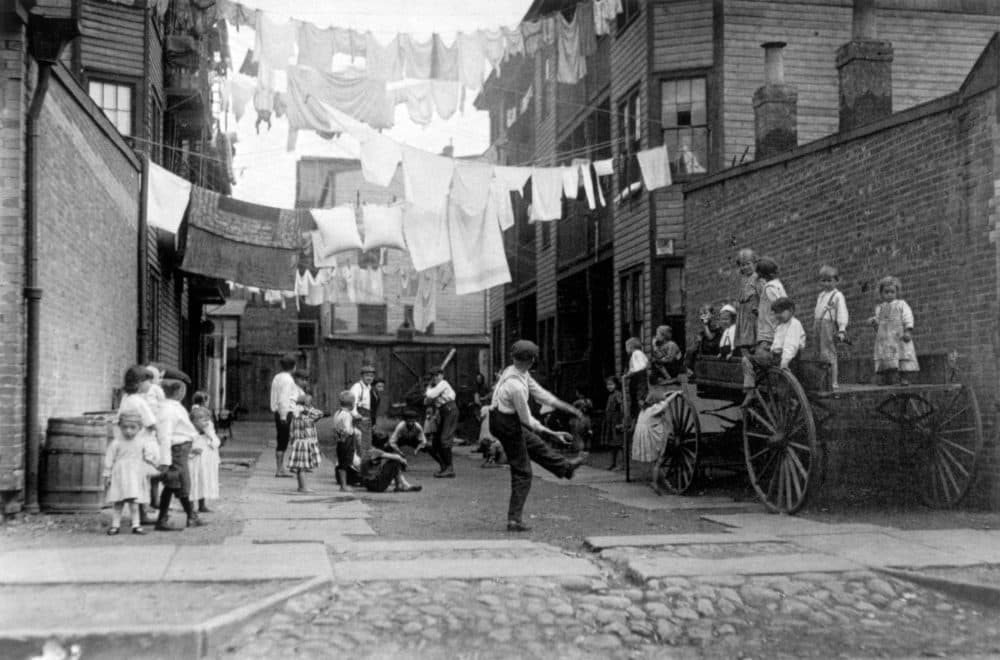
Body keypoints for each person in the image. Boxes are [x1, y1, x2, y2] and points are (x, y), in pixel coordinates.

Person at [489, 340, 585, 532]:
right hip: (505, 424)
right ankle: (514, 520)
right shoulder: (516, 386)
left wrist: (568, 408)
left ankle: (566, 468)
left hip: (503, 418)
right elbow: (527, 420)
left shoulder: (517, 371)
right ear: (532, 360)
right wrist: (553, 433)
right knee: (523, 471)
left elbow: (541, 394)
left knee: (534, 443)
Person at [155, 379, 205, 531]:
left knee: (175, 483)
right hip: (176, 449)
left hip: (182, 448)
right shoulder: (168, 410)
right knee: (179, 483)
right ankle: (189, 516)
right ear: (179, 393)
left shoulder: (174, 407)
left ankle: (185, 516)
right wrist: (165, 459)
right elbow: (165, 435)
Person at [102, 411, 160, 535]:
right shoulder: (116, 443)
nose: (128, 431)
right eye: (125, 427)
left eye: (132, 428)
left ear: (139, 428)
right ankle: (115, 525)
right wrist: (107, 475)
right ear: (120, 427)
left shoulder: (142, 442)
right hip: (120, 475)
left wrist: (157, 464)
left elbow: (148, 456)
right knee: (118, 502)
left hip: (134, 475)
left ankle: (136, 525)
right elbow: (109, 459)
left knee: (134, 502)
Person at [741, 297, 806, 405]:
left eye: (781, 312)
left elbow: (790, 345)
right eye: (776, 313)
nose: (778, 315)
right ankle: (750, 389)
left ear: (790, 310)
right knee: (747, 359)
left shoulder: (794, 324)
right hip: (776, 356)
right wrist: (770, 348)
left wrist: (785, 362)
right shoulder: (781, 325)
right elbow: (778, 343)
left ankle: (791, 403)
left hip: (787, 359)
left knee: (783, 390)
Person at [118, 365, 161, 525]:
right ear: (139, 382)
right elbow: (152, 423)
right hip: (142, 444)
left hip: (129, 444)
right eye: (147, 382)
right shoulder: (140, 402)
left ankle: (139, 514)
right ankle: (143, 514)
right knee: (143, 480)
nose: (149, 386)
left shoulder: (125, 399)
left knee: (136, 480)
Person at [869, 275, 919, 386]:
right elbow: (878, 325)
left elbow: (908, 317)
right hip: (885, 338)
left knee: (902, 355)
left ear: (896, 292)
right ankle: (886, 378)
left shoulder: (901, 305)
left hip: (898, 336)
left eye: (892, 292)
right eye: (886, 292)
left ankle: (904, 378)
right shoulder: (880, 308)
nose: (889, 294)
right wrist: (874, 323)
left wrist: (908, 330)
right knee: (885, 357)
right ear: (881, 293)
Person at [630, 393, 679, 495]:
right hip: (651, 438)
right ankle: (655, 482)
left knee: (655, 462)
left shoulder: (644, 410)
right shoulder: (653, 409)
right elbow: (665, 402)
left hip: (644, 438)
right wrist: (676, 393)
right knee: (658, 461)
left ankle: (662, 482)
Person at [814, 265, 850, 389]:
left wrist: (842, 328)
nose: (826, 283)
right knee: (820, 353)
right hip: (818, 324)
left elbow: (842, 312)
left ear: (836, 281)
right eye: (823, 280)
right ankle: (824, 381)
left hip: (828, 325)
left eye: (829, 280)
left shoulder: (837, 295)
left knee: (829, 352)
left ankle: (833, 381)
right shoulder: (821, 296)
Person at [286, 388, 325, 494]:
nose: (311, 405)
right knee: (303, 467)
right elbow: (320, 414)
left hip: (298, 442)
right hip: (305, 443)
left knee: (300, 467)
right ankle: (304, 487)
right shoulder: (306, 415)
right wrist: (308, 409)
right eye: (309, 403)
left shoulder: (295, 415)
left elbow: (291, 431)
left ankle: (300, 486)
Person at [424, 366, 459, 478]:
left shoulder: (443, 383)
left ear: (442, 375)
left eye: (437, 375)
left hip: (450, 410)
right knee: (436, 442)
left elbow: (430, 396)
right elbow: (426, 401)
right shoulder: (436, 386)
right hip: (443, 412)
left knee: (445, 439)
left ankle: (449, 468)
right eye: (433, 376)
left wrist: (429, 387)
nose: (435, 378)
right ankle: (444, 466)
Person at [269, 353, 298, 478]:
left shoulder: (277, 377)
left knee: (281, 439)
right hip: (285, 412)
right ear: (294, 366)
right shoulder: (288, 380)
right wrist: (283, 416)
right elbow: (283, 399)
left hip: (278, 411)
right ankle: (280, 469)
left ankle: (280, 468)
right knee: (283, 440)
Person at [188, 407, 221, 513]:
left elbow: (216, 443)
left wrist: (210, 435)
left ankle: (202, 504)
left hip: (206, 464)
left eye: (208, 420)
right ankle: (190, 506)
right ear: (193, 421)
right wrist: (192, 451)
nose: (206, 422)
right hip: (194, 463)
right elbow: (186, 447)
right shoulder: (190, 433)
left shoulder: (209, 433)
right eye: (203, 420)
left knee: (204, 482)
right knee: (194, 483)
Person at [755, 257, 787, 358]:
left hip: (768, 334)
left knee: (756, 361)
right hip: (776, 332)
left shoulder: (769, 287)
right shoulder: (778, 285)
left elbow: (779, 305)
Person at [734, 248, 761, 356]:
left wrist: (758, 307)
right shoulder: (743, 280)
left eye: (748, 264)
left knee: (753, 343)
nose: (745, 267)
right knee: (743, 345)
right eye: (742, 265)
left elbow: (762, 296)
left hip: (753, 315)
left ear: (754, 263)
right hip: (743, 315)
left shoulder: (758, 279)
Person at [332, 391, 361, 492]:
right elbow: (348, 430)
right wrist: (355, 424)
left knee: (341, 463)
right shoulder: (347, 415)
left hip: (339, 441)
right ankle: (343, 485)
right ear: (352, 404)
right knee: (345, 464)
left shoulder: (337, 413)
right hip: (347, 441)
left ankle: (343, 484)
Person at [684, 305, 721, 375]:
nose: (703, 316)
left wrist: (705, 325)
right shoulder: (703, 327)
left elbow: (710, 337)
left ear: (712, 314)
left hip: (714, 346)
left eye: (705, 313)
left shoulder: (715, 325)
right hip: (705, 346)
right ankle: (689, 368)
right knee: (690, 351)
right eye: (701, 314)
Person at [350, 364, 376, 453]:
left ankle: (365, 461)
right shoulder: (357, 387)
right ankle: (359, 461)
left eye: (371, 376)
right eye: (367, 376)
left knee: (367, 442)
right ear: (362, 376)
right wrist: (356, 415)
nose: (369, 378)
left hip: (367, 417)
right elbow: (351, 403)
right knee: (359, 442)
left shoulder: (369, 387)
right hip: (359, 417)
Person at [623, 337, 649, 428]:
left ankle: (642, 420)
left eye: (626, 347)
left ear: (630, 347)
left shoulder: (637, 353)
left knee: (639, 399)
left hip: (639, 380)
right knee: (633, 401)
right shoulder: (633, 355)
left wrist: (629, 374)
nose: (626, 350)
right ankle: (635, 423)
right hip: (635, 381)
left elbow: (641, 366)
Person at [603, 376, 625, 470]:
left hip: (617, 420)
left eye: (611, 384)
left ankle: (622, 465)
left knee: (619, 444)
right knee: (612, 444)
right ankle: (613, 463)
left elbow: (621, 407)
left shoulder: (617, 394)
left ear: (616, 385)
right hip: (611, 421)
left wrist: (621, 421)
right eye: (608, 385)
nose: (609, 386)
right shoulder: (610, 395)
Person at [569, 387, 594, 453]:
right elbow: (591, 409)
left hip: (580, 420)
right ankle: (587, 448)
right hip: (588, 419)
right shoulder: (589, 401)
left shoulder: (577, 402)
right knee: (587, 434)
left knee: (579, 435)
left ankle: (580, 448)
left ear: (579, 393)